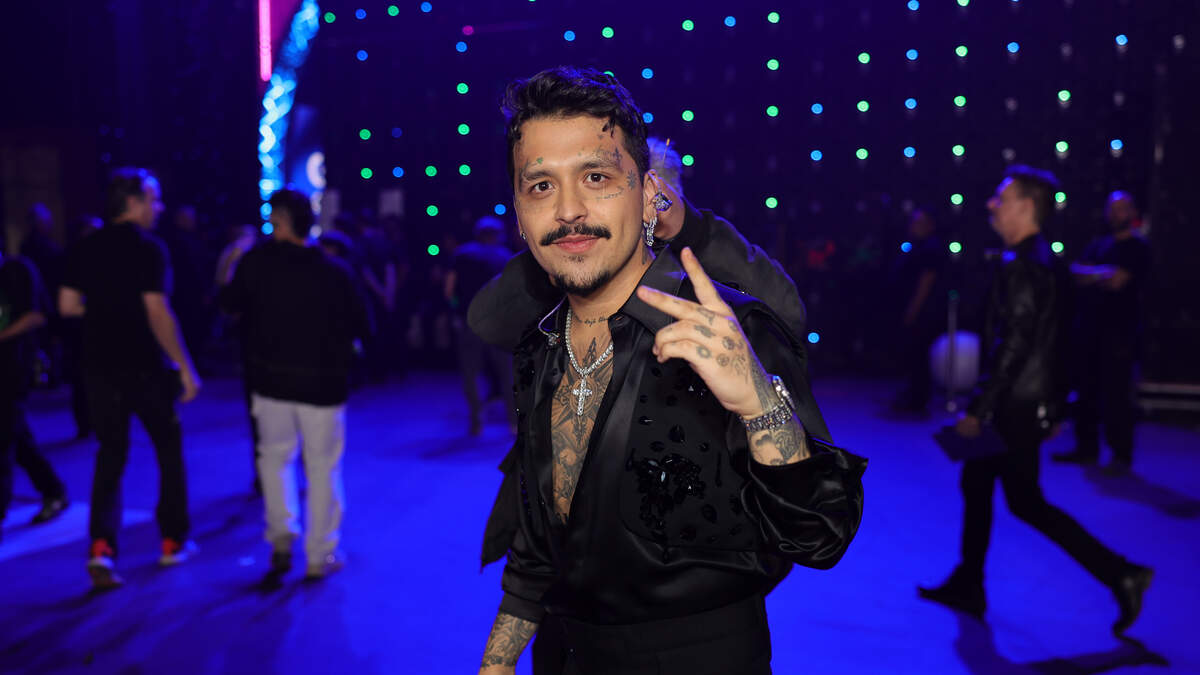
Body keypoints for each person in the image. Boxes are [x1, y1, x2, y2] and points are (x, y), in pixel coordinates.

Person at [477, 67, 866, 675]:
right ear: (520, 215)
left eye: (596, 177)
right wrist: (497, 663)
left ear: (650, 195)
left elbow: (821, 534)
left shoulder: (730, 333)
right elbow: (538, 546)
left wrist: (759, 404)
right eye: (541, 186)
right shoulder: (540, 346)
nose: (569, 209)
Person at [917, 166, 1152, 635]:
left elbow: (1014, 346)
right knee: (978, 484)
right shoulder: (1045, 261)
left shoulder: (1023, 266)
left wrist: (979, 409)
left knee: (1025, 501)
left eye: (1001, 198)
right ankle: (969, 582)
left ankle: (1121, 574)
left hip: (1011, 407)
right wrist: (1055, 404)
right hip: (1022, 402)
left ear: (1026, 207)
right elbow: (1057, 341)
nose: (991, 205)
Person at [468, 136, 807, 352]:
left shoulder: (699, 255)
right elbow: (486, 322)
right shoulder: (576, 267)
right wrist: (556, 254)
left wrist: (693, 231)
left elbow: (788, 317)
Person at [59, 167, 202, 589]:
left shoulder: (85, 246)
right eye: (154, 199)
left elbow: (67, 306)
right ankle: (172, 540)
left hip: (99, 365)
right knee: (167, 450)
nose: (160, 207)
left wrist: (105, 308)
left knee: (110, 455)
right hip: (144, 364)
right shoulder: (150, 248)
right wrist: (185, 366)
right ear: (135, 202)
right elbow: (157, 312)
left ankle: (102, 547)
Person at [219, 189, 372, 580]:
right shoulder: (335, 270)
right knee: (322, 468)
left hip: (270, 379)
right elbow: (364, 326)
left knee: (274, 460)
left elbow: (227, 304)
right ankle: (320, 553)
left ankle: (282, 537)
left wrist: (231, 262)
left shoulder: (256, 263)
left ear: (281, 220)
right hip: (324, 384)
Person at [1053, 191, 1150, 474]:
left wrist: (1094, 274)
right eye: (1112, 208)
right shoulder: (1098, 245)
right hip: (1089, 329)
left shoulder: (1137, 248)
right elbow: (1075, 273)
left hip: (1121, 332)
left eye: (1122, 208)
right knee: (1086, 391)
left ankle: (1121, 455)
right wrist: (1103, 273)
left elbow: (1118, 281)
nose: (1116, 214)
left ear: (1132, 212)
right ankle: (1086, 448)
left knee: (1116, 395)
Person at [0, 246, 68, 535]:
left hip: (13, 367)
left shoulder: (17, 270)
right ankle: (53, 490)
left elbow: (37, 316)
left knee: (4, 437)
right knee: (16, 435)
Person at [445, 216, 516, 435]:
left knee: (471, 374)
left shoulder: (462, 254)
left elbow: (449, 289)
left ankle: (476, 422)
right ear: (498, 235)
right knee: (508, 375)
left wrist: (456, 309)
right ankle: (514, 423)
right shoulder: (505, 256)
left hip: (470, 321)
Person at [890, 208, 945, 413]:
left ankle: (917, 399)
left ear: (930, 224)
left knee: (919, 354)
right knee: (913, 353)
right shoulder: (917, 246)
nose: (913, 226)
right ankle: (913, 395)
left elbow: (927, 280)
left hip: (924, 312)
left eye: (919, 222)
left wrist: (914, 308)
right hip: (916, 308)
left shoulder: (931, 247)